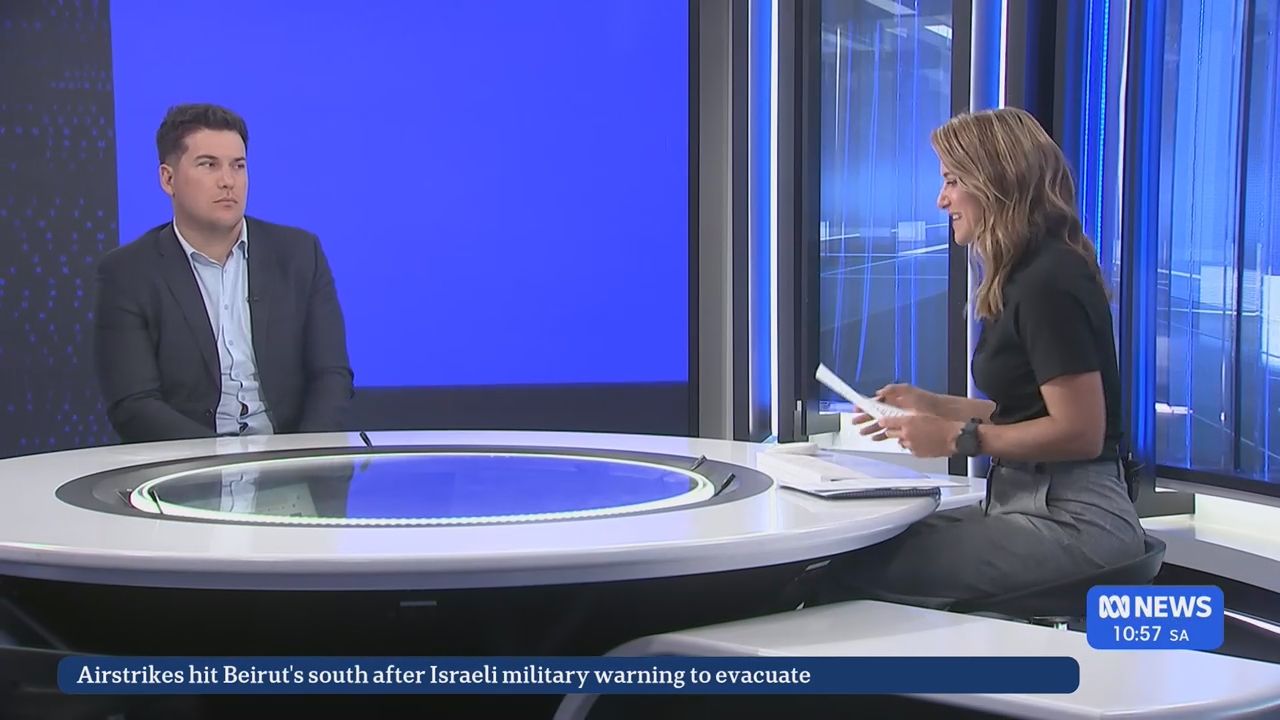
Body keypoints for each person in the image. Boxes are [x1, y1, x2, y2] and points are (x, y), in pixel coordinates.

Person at [811, 107, 1146, 609]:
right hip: (1025, 503)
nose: (941, 199)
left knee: (848, 573)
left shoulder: (1048, 281)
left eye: (952, 181)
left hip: (1073, 521)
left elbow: (1081, 432)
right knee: (857, 548)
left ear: (996, 182)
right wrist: (933, 406)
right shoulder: (1026, 275)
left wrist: (955, 437)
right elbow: (1033, 413)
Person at [93, 103, 354, 444]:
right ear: (168, 179)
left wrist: (302, 457)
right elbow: (134, 405)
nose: (228, 181)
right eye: (209, 165)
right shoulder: (127, 273)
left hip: (289, 459)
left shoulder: (300, 254)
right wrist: (220, 461)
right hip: (187, 463)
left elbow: (331, 376)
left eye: (238, 166)